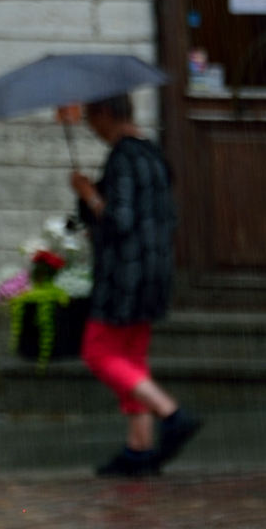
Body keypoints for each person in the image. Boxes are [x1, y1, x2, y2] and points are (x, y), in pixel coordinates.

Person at [64, 94, 197, 478]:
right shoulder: (151, 153)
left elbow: (118, 220)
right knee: (132, 358)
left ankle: (171, 413)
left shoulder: (122, 156)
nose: (90, 127)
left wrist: (88, 194)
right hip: (155, 271)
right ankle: (139, 449)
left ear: (106, 114)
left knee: (97, 352)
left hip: (124, 276)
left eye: (91, 118)